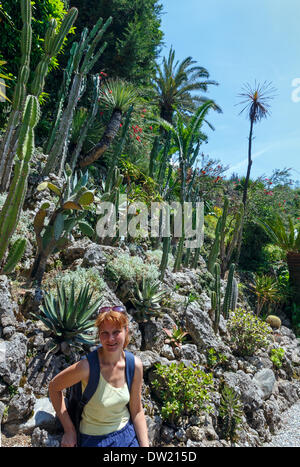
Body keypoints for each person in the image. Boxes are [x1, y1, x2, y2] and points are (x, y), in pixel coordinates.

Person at [48, 306, 149, 447]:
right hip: (94, 440)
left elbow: (137, 411)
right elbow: (54, 387)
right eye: (105, 333)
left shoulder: (134, 366)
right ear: (99, 335)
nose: (111, 339)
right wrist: (69, 430)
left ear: (126, 331)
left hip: (127, 434)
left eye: (116, 332)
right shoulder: (87, 367)